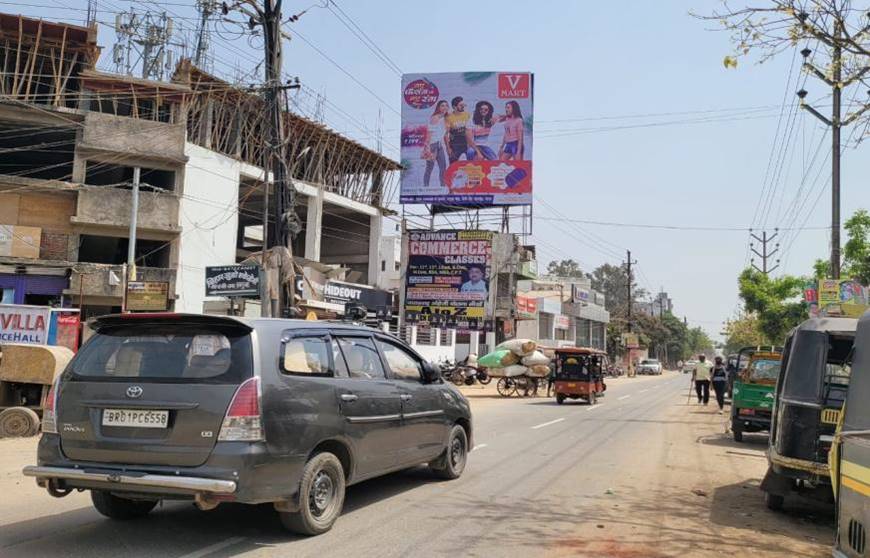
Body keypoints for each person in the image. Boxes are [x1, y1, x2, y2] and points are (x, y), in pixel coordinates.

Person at [423, 100, 448, 188]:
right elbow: (429, 134)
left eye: (446, 106)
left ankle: (443, 187)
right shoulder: (435, 118)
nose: (444, 107)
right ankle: (425, 187)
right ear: (438, 107)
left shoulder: (444, 119)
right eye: (442, 106)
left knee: (443, 167)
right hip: (432, 145)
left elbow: (443, 134)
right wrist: (427, 148)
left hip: (439, 145)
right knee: (430, 168)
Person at [445, 96, 470, 163]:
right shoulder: (449, 117)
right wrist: (448, 148)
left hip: (466, 144)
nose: (463, 106)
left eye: (463, 104)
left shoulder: (467, 115)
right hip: (455, 145)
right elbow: (445, 135)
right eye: (460, 105)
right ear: (454, 107)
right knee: (453, 165)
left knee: (470, 166)